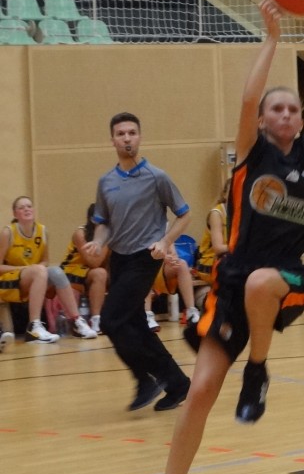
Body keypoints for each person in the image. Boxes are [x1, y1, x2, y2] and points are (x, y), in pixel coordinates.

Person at [146, 0, 304, 474]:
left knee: (261, 283)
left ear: (301, 120)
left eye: (293, 109)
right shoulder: (252, 152)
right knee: (201, 391)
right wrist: (271, 37)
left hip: (290, 275)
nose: (285, 114)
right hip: (233, 280)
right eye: (276, 109)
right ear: (260, 120)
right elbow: (249, 95)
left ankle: (257, 370)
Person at [84, 112, 192, 413]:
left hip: (145, 258)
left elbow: (184, 214)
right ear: (112, 140)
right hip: (119, 259)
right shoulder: (106, 182)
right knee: (135, 325)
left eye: (132, 132)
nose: (127, 138)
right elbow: (104, 222)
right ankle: (177, 383)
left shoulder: (157, 177)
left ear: (140, 137)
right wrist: (99, 241)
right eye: (121, 134)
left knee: (110, 320)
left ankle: (144, 379)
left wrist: (165, 241)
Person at [0, 196, 97, 343]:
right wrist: (27, 268)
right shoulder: (8, 232)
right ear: (15, 214)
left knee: (56, 272)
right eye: (21, 207)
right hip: (8, 281)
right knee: (40, 271)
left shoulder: (42, 230)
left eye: (29, 206)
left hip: (34, 277)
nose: (26, 209)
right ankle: (34, 327)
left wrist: (36, 269)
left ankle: (76, 321)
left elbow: (45, 261)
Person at [60, 203, 109, 334]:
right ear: (93, 219)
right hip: (70, 270)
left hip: (88, 272)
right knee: (100, 273)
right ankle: (96, 320)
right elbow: (93, 262)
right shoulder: (80, 233)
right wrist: (108, 241)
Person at [144, 246, 200, 332]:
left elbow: (173, 252)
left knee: (181, 264)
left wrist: (171, 258)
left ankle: (191, 312)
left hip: (160, 266)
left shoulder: (163, 236)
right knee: (144, 268)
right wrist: (163, 257)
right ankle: (147, 315)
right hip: (140, 265)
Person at [193, 179, 230, 288]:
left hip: (228, 257)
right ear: (225, 194)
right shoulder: (217, 213)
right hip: (210, 262)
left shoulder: (241, 213)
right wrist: (242, 246)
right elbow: (218, 248)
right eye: (232, 191)